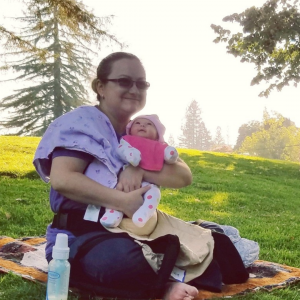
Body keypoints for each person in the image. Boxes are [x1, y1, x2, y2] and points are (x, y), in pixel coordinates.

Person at [33, 52, 249, 300]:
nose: (134, 89)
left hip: (139, 231)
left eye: (141, 83)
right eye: (124, 81)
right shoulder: (81, 123)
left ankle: (187, 248)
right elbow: (63, 179)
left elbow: (182, 176)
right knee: (119, 261)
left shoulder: (142, 132)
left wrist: (139, 168)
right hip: (82, 235)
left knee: (220, 251)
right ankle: (166, 283)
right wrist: (121, 201)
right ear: (100, 87)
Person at [99, 114, 178, 228]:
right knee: (115, 192)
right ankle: (112, 215)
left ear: (157, 134)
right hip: (123, 180)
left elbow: (168, 154)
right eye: (137, 123)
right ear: (130, 130)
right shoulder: (127, 140)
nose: (142, 125)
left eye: (149, 124)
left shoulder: (159, 146)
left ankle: (143, 214)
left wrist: (170, 153)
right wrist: (130, 153)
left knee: (154, 193)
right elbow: (121, 150)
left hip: (148, 183)